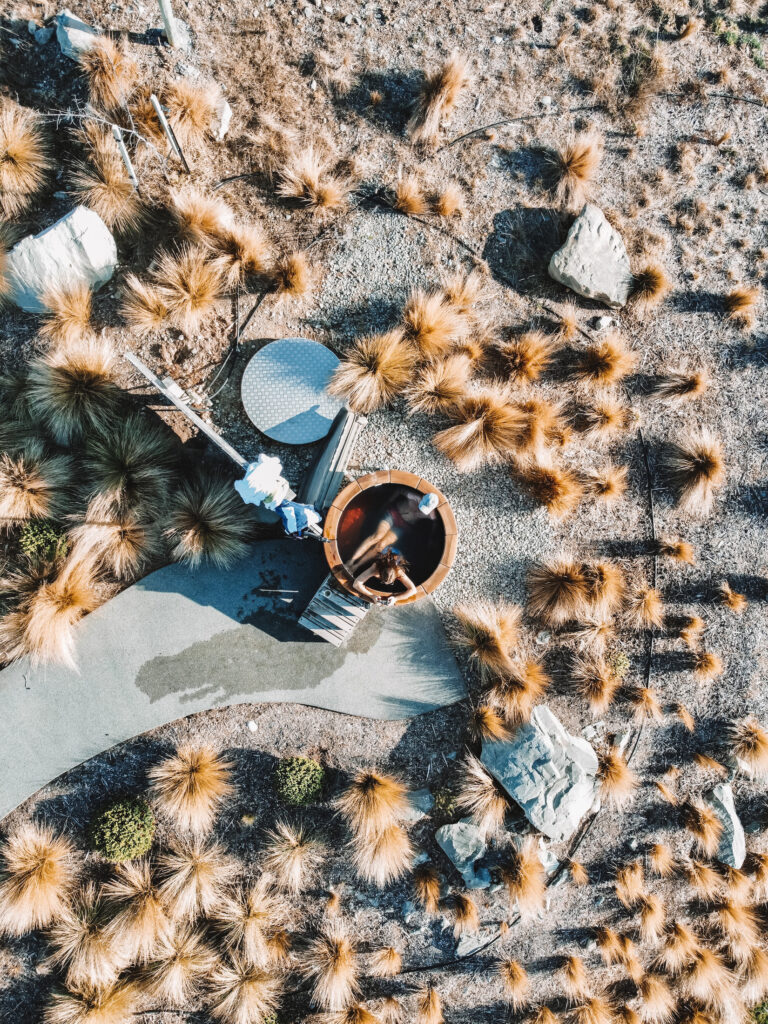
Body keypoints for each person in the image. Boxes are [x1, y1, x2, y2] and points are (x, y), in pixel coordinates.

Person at [346, 490, 439, 575]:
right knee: (376, 536)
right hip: (393, 514)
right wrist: (388, 502)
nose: (419, 510)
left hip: (403, 526)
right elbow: (399, 490)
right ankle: (350, 561)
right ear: (423, 498)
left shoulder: (431, 514)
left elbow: (434, 523)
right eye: (421, 506)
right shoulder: (413, 496)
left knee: (380, 546)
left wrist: (430, 540)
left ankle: (355, 566)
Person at [352, 547, 418, 605]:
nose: (387, 584)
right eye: (383, 582)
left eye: (391, 583)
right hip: (384, 551)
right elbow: (356, 584)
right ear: (379, 573)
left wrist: (396, 599)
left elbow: (413, 590)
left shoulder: (399, 571)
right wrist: (372, 596)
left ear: (396, 576)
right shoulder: (375, 568)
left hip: (396, 552)